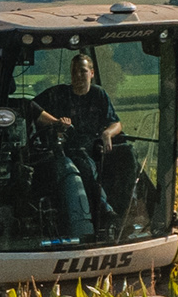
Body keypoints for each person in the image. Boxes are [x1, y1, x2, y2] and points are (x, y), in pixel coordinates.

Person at [26, 50, 125, 235]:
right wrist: (56, 123)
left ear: (92, 73)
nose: (78, 76)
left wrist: (107, 133)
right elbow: (29, 106)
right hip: (66, 150)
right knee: (83, 164)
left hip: (95, 147)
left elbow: (116, 123)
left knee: (127, 155)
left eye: (83, 71)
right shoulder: (58, 94)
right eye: (74, 72)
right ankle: (105, 210)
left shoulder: (99, 94)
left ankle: (131, 210)